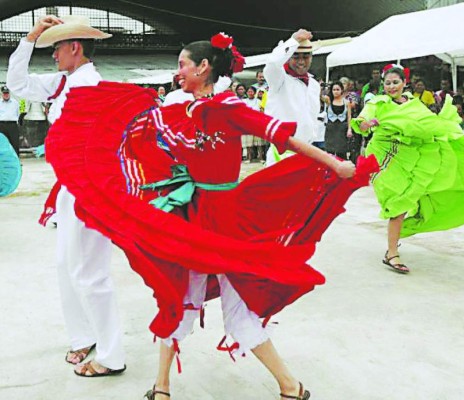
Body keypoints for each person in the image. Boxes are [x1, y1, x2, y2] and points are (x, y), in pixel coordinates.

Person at [44, 33, 379, 400]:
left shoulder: (229, 108)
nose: (178, 74)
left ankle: (284, 386)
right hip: (192, 218)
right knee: (178, 297)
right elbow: (135, 130)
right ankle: (166, 387)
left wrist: (335, 164)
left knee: (226, 311)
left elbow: (285, 140)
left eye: (183, 66)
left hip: (225, 223)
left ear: (203, 68)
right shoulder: (181, 110)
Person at [6, 15, 126, 377]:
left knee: (90, 272)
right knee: (66, 265)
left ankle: (111, 354)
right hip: (70, 186)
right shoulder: (64, 82)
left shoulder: (89, 86)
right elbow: (18, 82)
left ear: (74, 48)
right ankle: (84, 335)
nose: (53, 55)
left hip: (90, 188)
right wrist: (32, 36)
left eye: (57, 48)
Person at [351, 64, 464, 274]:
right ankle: (392, 253)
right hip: (386, 155)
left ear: (404, 84)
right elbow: (363, 117)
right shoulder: (378, 102)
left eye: (396, 82)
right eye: (388, 83)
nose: (392, 86)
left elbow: (427, 123)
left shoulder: (413, 103)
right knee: (397, 202)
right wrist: (364, 123)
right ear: (383, 85)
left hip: (413, 152)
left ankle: (396, 245)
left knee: (423, 191)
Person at [263, 28, 320, 166]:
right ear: (288, 56)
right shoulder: (279, 79)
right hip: (281, 152)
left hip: (307, 152)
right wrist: (294, 40)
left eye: (306, 56)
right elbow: (272, 63)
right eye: (296, 56)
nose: (301, 61)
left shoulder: (314, 84)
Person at [324, 81, 352, 159]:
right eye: (334, 90)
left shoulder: (346, 102)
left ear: (341, 90)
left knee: (342, 152)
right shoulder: (329, 100)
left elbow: (349, 117)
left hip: (342, 128)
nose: (336, 92)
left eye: (337, 89)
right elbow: (320, 96)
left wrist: (349, 129)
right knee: (329, 152)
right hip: (331, 128)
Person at [0, 85, 20, 155]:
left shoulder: (15, 103)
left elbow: (18, 113)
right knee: (2, 144)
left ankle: (16, 161)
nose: (6, 95)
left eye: (7, 93)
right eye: (4, 93)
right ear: (2, 94)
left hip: (12, 125)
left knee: (15, 143)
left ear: (9, 93)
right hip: (1, 125)